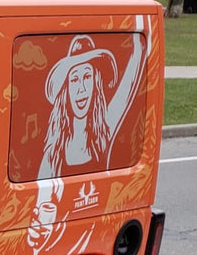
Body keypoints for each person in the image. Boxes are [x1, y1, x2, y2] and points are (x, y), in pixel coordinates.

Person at [38, 32, 145, 179]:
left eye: (87, 77)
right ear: (66, 89)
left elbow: (129, 83)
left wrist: (139, 33)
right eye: (74, 79)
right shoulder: (53, 154)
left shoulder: (103, 129)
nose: (81, 88)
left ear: (95, 83)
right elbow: (42, 199)